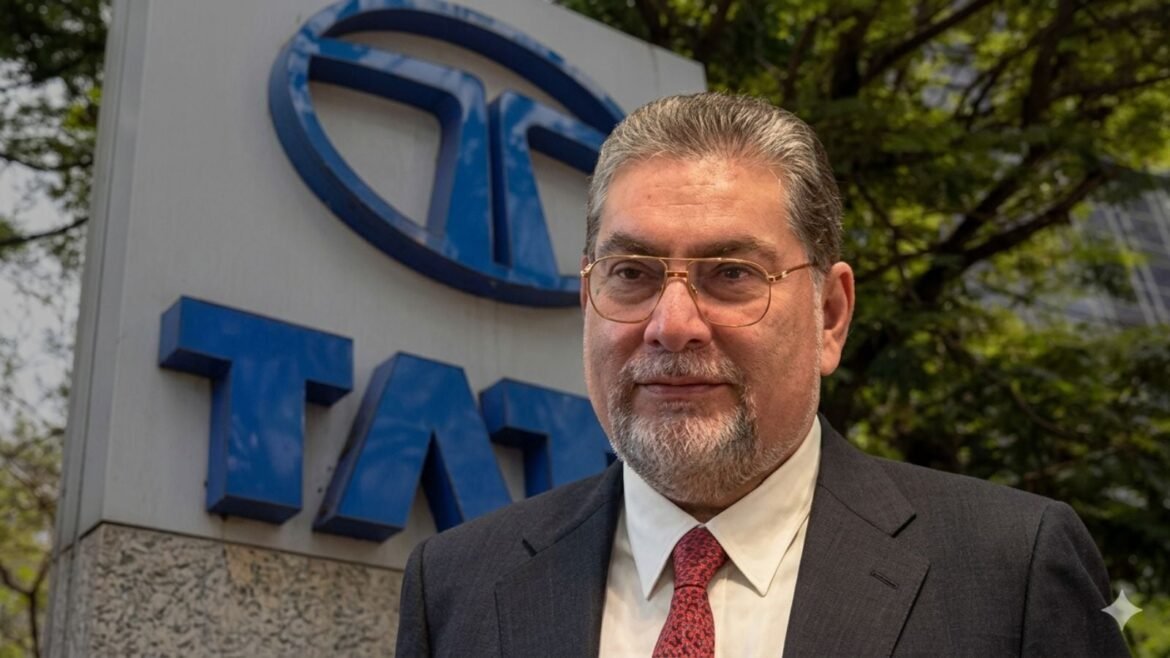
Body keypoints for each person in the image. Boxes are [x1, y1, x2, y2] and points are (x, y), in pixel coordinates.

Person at [395, 93, 1130, 657]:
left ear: (830, 314)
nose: (672, 323)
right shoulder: (456, 586)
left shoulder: (1011, 570)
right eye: (632, 273)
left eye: (731, 273)